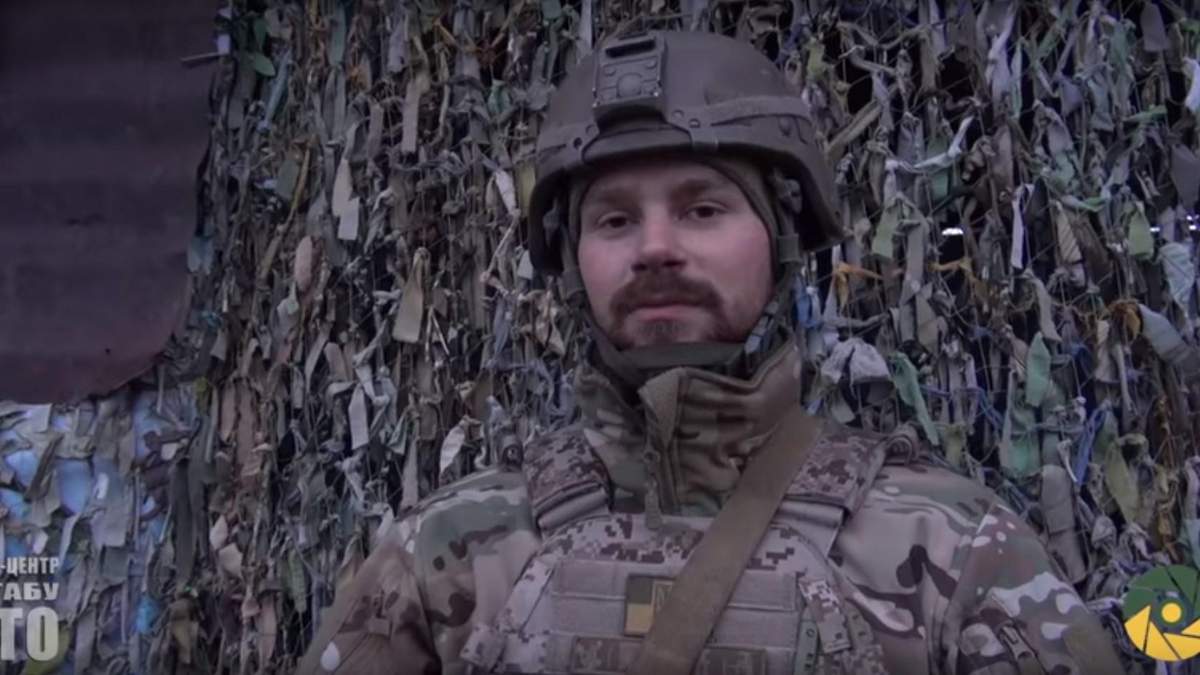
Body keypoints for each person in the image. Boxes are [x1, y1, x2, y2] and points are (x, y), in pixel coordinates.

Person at [297, 30, 1123, 675]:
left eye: (702, 209)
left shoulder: (953, 546)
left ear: (780, 240)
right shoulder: (449, 552)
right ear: (573, 262)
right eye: (615, 219)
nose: (656, 247)